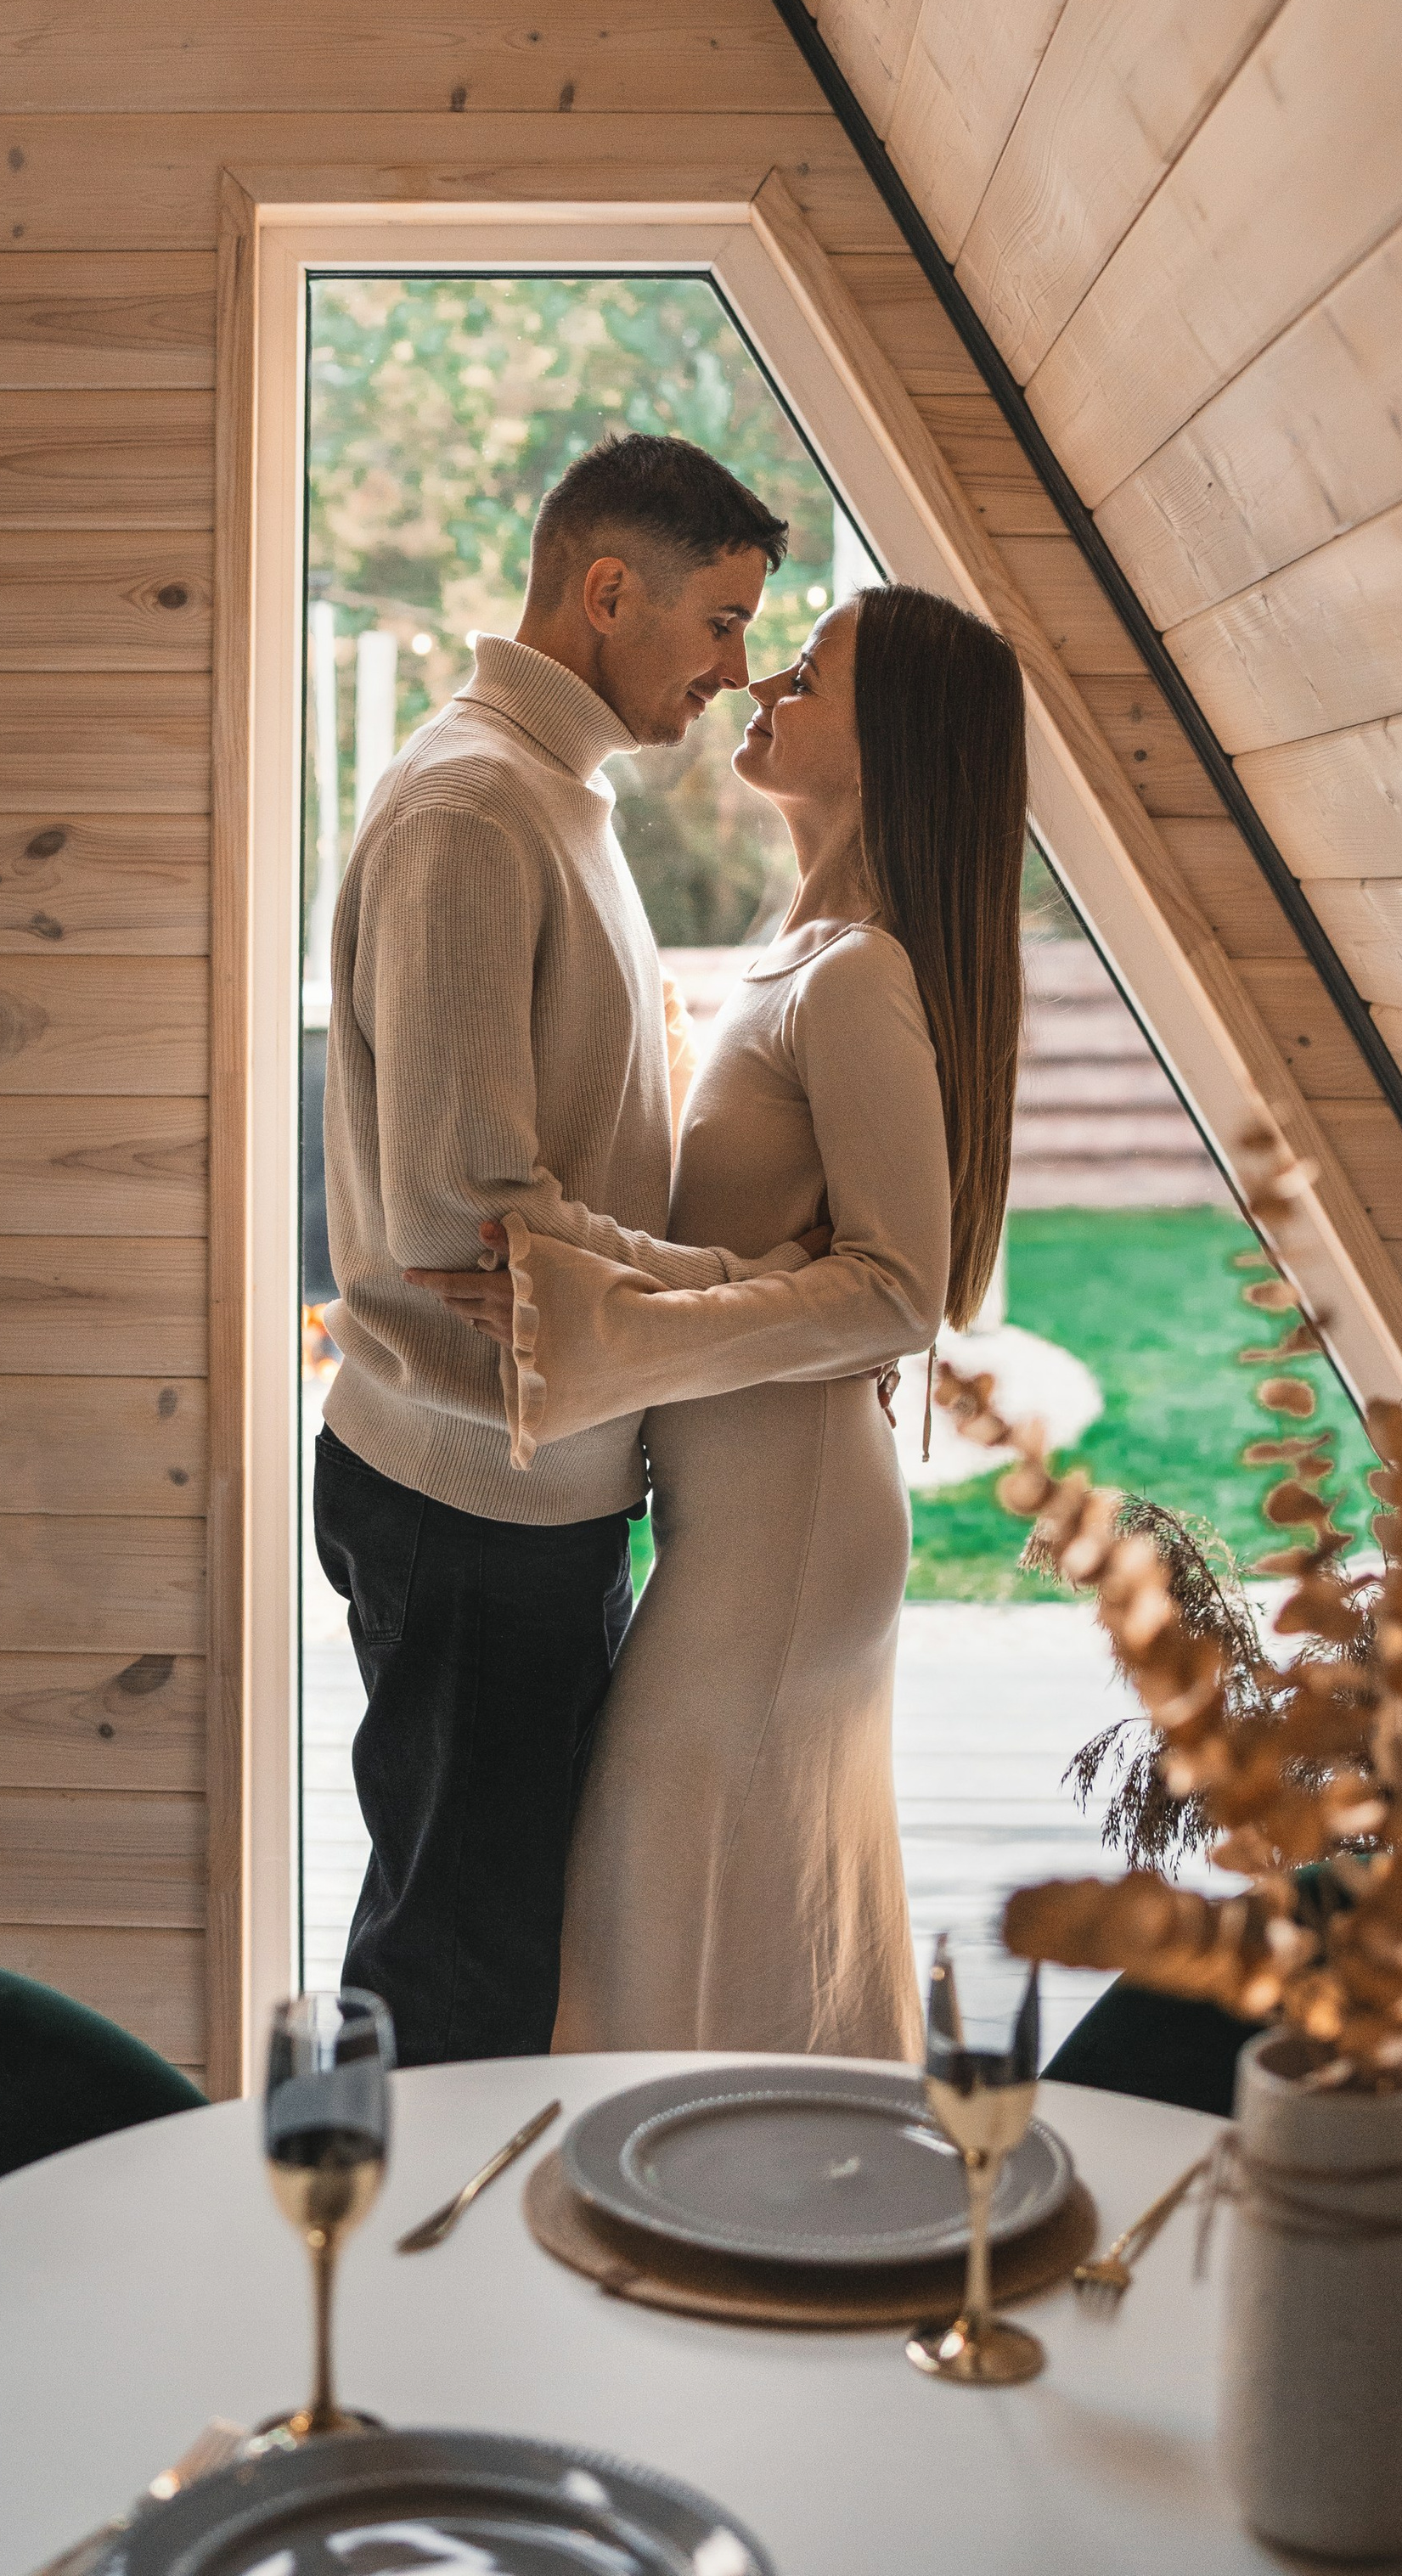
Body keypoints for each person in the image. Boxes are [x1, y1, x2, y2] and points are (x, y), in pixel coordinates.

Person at [414, 583, 1026, 2058]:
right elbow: (742, 1255)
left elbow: (895, 1291)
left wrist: (600, 1316)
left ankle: (701, 2234)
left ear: (891, 745)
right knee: (722, 1945)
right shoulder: (802, 950)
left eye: (807, 674)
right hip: (745, 1516)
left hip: (786, 1537)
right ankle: (769, 2236)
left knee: (649, 1933)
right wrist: (579, 1271)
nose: (764, 685)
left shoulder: (863, 975)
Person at [315, 430, 813, 2065]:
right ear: (609, 592)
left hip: (537, 1475)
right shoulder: (472, 807)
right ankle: (381, 2294)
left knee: (505, 1932)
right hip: (473, 1495)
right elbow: (464, 1217)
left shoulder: (554, 791)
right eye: (721, 622)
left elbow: (532, 1217)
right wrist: (742, 1298)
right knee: (456, 1962)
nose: (736, 674)